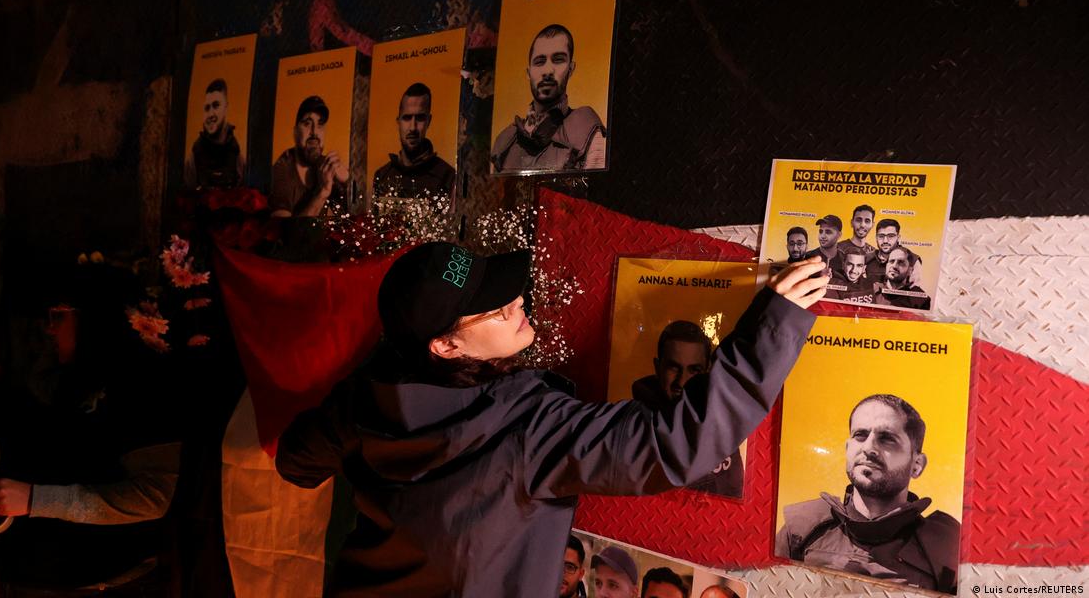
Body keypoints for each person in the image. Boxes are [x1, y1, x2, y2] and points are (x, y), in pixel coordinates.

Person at [276, 244, 826, 596]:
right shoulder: (526, 430)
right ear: (445, 345)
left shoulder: (361, 401)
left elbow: (298, 462)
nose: (518, 301)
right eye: (495, 307)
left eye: (502, 286)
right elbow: (673, 445)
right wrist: (771, 328)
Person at [0, 264, 181, 593]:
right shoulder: (72, 380)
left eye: (58, 316)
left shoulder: (141, 387)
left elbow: (156, 496)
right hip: (45, 577)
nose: (48, 329)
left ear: (94, 318)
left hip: (109, 579)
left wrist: (36, 499)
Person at [775, 394, 960, 593]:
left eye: (887, 439)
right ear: (847, 449)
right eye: (860, 435)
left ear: (916, 465)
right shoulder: (802, 529)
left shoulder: (946, 547)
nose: (868, 447)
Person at [632, 321, 743, 498]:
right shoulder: (633, 425)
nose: (681, 381)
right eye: (673, 367)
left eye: (694, 370)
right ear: (657, 367)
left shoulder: (723, 428)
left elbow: (733, 491)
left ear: (707, 372)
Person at [491, 24, 607, 173]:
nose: (547, 70)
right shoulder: (505, 141)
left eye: (558, 60)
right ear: (529, 72)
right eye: (540, 61)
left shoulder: (587, 130)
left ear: (571, 69)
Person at [372, 83, 457, 205]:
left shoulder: (447, 177)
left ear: (428, 121)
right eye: (407, 118)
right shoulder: (382, 176)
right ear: (398, 122)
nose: (413, 127)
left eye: (420, 118)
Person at [270, 95, 349, 217]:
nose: (314, 132)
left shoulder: (326, 164)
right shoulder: (282, 169)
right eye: (307, 123)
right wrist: (323, 193)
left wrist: (346, 182)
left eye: (320, 125)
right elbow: (286, 231)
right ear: (295, 133)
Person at [184, 78, 246, 189]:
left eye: (216, 105)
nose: (211, 114)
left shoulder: (237, 154)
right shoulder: (193, 157)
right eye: (207, 108)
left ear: (226, 108)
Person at [832, 205, 876, 277]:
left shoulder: (874, 253)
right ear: (852, 222)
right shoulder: (837, 248)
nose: (862, 225)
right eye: (858, 220)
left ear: (872, 225)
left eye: (867, 221)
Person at [867, 218, 900, 284]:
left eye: (890, 236)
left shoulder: (910, 260)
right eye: (881, 236)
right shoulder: (866, 259)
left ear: (898, 237)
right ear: (876, 237)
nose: (885, 241)